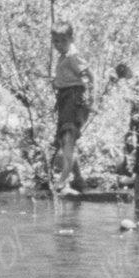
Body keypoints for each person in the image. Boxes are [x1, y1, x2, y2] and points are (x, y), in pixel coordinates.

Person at [44, 19, 92, 194]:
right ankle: (78, 178)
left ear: (71, 39)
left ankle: (64, 177)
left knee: (68, 137)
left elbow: (88, 76)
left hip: (74, 99)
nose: (59, 44)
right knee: (66, 140)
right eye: (56, 41)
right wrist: (56, 82)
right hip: (66, 98)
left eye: (63, 40)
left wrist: (89, 99)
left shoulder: (72, 56)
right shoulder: (64, 56)